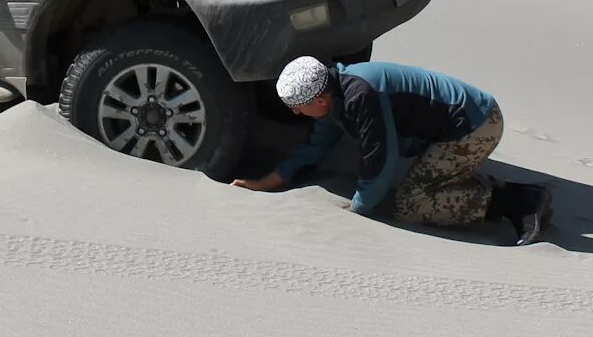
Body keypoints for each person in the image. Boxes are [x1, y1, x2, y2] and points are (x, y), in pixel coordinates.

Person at [231, 57, 553, 245]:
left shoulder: (361, 96)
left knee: (411, 203)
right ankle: (502, 191)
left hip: (474, 125)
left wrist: (359, 209)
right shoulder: (334, 97)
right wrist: (264, 183)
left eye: (298, 108)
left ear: (318, 100)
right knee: (416, 188)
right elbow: (314, 149)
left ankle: (519, 202)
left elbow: (379, 157)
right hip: (461, 123)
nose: (296, 115)